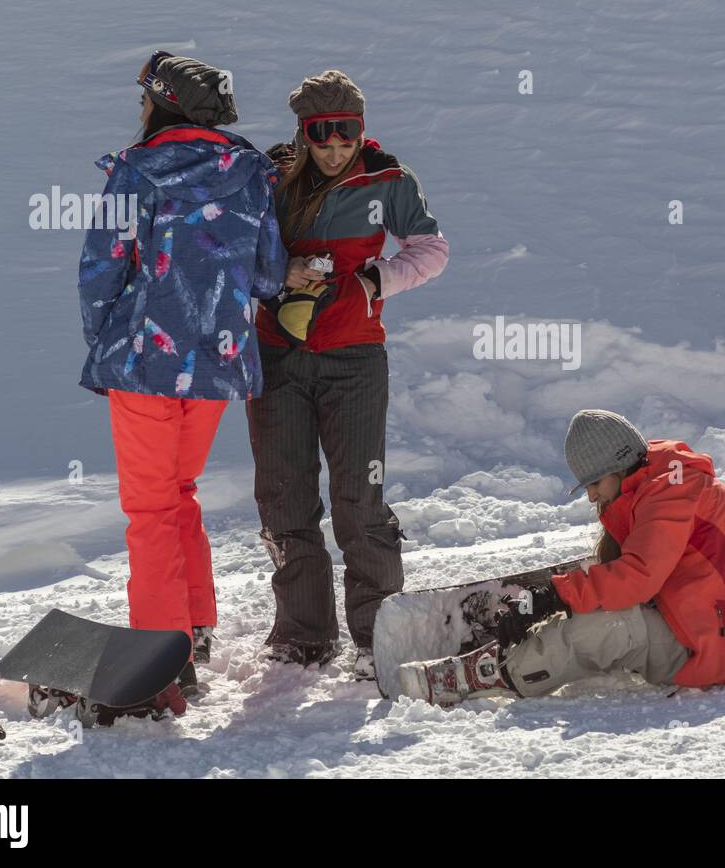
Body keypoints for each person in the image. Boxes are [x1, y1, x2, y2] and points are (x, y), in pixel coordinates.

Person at [78, 52, 287, 699]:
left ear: (164, 103)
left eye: (144, 99)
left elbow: (101, 269)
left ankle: (160, 665)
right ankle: (193, 627)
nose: (138, 111)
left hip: (145, 361)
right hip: (218, 365)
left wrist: (109, 342)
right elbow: (269, 276)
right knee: (179, 493)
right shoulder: (251, 172)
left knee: (148, 510)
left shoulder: (138, 171)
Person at [248, 70, 449, 680]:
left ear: (362, 129)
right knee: (284, 495)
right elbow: (238, 255)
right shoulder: (270, 179)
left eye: (346, 137)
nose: (335, 150)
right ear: (303, 133)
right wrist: (283, 272)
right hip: (277, 355)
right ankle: (303, 636)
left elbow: (431, 249)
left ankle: (378, 633)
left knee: (359, 497)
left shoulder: (388, 179)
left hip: (356, 359)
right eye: (321, 138)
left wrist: (375, 278)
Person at [397, 410, 725, 705]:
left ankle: (488, 674)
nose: (591, 495)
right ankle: (537, 641)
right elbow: (646, 562)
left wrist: (555, 595)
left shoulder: (670, 493)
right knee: (599, 599)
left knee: (607, 627)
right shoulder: (661, 476)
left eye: (594, 483)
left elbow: (639, 576)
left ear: (619, 467)